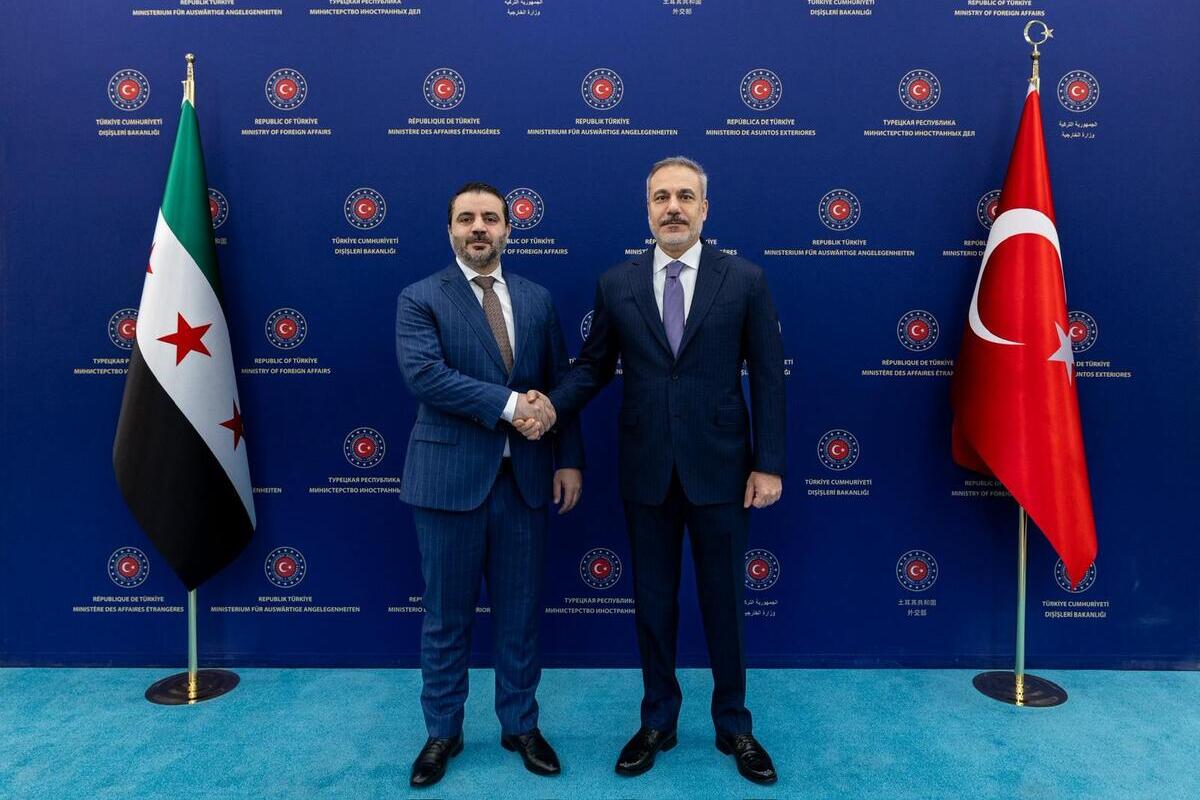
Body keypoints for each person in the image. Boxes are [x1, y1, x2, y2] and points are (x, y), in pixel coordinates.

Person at [527, 156, 786, 785]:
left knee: (725, 603)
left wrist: (769, 464)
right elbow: (591, 367)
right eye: (661, 198)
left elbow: (770, 376)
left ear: (705, 208)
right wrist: (550, 404)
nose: (673, 207)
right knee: (652, 603)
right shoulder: (616, 283)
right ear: (647, 209)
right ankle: (658, 721)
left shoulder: (745, 279)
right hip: (645, 470)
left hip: (723, 471)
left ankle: (735, 726)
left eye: (685, 197)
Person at [395, 182, 583, 788]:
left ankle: (520, 725)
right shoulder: (420, 297)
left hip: (525, 482)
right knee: (446, 618)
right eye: (467, 219)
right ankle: (442, 732)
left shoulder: (537, 299)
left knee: (520, 616)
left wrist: (568, 459)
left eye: (491, 219)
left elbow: (560, 388)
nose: (480, 228)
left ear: (509, 229)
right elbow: (427, 376)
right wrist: (510, 404)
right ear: (449, 229)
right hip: (448, 482)